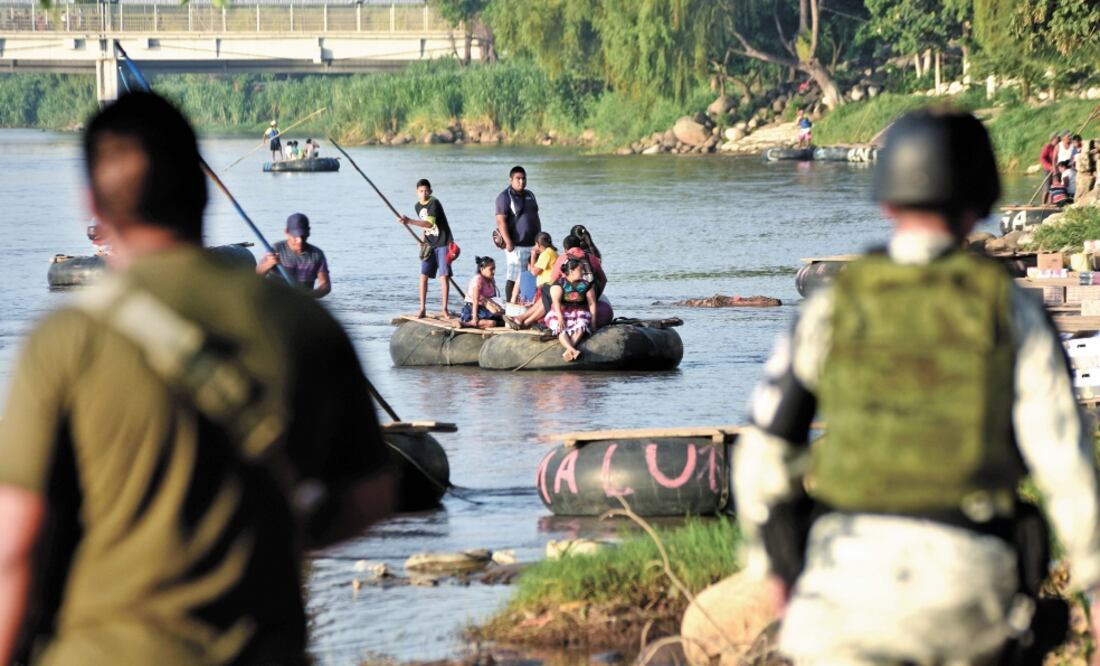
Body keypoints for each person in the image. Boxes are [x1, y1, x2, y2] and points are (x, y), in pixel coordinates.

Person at [0, 91, 394, 665]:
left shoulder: (64, 341)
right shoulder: (301, 324)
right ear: (201, 188)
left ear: (93, 205)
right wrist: (259, 538)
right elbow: (370, 497)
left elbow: (16, 546)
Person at [733, 109, 1100, 664]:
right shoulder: (1014, 312)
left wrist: (778, 571)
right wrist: (1094, 587)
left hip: (839, 593)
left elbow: (763, 455)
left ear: (886, 202)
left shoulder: (832, 308)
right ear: (982, 205)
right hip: (968, 601)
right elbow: (1065, 467)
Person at [508, 234, 607, 330]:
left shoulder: (564, 258)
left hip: (572, 295)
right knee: (548, 292)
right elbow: (603, 279)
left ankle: (526, 320)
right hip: (588, 294)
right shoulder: (591, 257)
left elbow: (554, 279)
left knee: (547, 289)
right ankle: (523, 320)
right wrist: (595, 295)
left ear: (565, 249)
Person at [399, 178, 453, 320]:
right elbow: (424, 227)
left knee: (444, 276)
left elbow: (429, 224)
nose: (424, 193)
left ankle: (444, 310)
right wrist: (422, 241)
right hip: (429, 244)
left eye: (426, 191)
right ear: (417, 192)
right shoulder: (417, 206)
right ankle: (422, 308)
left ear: (431, 191)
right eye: (421, 191)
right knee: (423, 276)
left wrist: (409, 221)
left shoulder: (433, 202)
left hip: (443, 243)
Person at [495, 166, 541, 303]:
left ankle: (526, 304)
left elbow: (536, 216)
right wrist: (508, 242)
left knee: (531, 276)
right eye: (518, 179)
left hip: (532, 244)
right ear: (511, 179)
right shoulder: (504, 197)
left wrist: (539, 240)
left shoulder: (530, 195)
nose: (521, 181)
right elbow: (500, 221)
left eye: (523, 178)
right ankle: (511, 306)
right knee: (514, 277)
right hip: (516, 245)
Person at [257, 213, 331, 298]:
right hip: (275, 302)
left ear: (308, 232)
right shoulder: (276, 249)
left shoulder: (317, 254)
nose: (300, 241)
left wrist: (310, 296)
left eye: (303, 236)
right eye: (295, 236)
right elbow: (256, 275)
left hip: (301, 304)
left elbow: (326, 286)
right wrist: (268, 264)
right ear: (287, 232)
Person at [546, 257, 598, 362]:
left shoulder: (586, 285)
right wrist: (560, 317)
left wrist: (593, 321)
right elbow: (556, 302)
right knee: (560, 328)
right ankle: (572, 349)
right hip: (561, 312)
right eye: (580, 269)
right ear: (571, 271)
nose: (583, 272)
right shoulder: (559, 283)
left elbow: (592, 303)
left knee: (581, 326)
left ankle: (569, 351)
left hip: (579, 311)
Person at [460, 256, 503, 329]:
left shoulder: (491, 280)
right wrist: (474, 318)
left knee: (502, 319)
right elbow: (475, 300)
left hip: (485, 307)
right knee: (492, 323)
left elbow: (494, 298)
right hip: (473, 308)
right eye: (491, 269)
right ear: (482, 269)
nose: (493, 272)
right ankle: (468, 324)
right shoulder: (478, 280)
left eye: (494, 269)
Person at [1039, 133, 1058, 204]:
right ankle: (1043, 205)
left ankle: (1051, 204)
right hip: (1047, 170)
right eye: (1056, 138)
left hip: (1056, 170)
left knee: (1053, 188)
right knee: (1047, 189)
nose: (1058, 140)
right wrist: (1050, 166)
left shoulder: (1058, 147)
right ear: (1052, 139)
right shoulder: (1048, 147)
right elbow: (1042, 158)